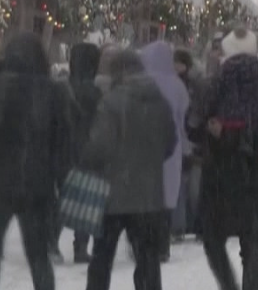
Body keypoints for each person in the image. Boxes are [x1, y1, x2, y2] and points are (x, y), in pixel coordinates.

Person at [0, 33, 74, 290]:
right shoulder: (52, 91)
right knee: (38, 254)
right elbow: (62, 141)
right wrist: (60, 177)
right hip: (38, 182)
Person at [82, 49, 177, 290]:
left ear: (120, 72)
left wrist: (89, 159)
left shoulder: (112, 102)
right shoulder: (159, 100)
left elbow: (99, 147)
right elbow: (170, 143)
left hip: (112, 194)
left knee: (102, 260)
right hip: (149, 196)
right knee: (148, 261)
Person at [196, 27, 258, 290]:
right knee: (251, 243)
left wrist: (222, 134)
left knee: (213, 241)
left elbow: (198, 123)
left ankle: (229, 286)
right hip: (255, 174)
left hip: (220, 174)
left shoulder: (216, 83)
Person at [139, 41, 190, 264]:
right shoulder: (177, 85)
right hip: (172, 145)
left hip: (145, 144)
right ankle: (162, 244)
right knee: (167, 195)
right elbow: (184, 114)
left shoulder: (141, 82)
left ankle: (144, 242)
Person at [61, 41, 103, 263]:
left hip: (62, 147)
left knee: (60, 194)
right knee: (85, 198)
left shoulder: (62, 86)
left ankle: (51, 243)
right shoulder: (95, 92)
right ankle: (80, 246)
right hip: (86, 148)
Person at [172, 47, 208, 241]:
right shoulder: (173, 83)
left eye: (179, 62)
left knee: (194, 187)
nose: (176, 66)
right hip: (180, 140)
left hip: (194, 141)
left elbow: (198, 111)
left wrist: (192, 127)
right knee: (180, 186)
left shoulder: (195, 85)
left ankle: (197, 225)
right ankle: (182, 226)